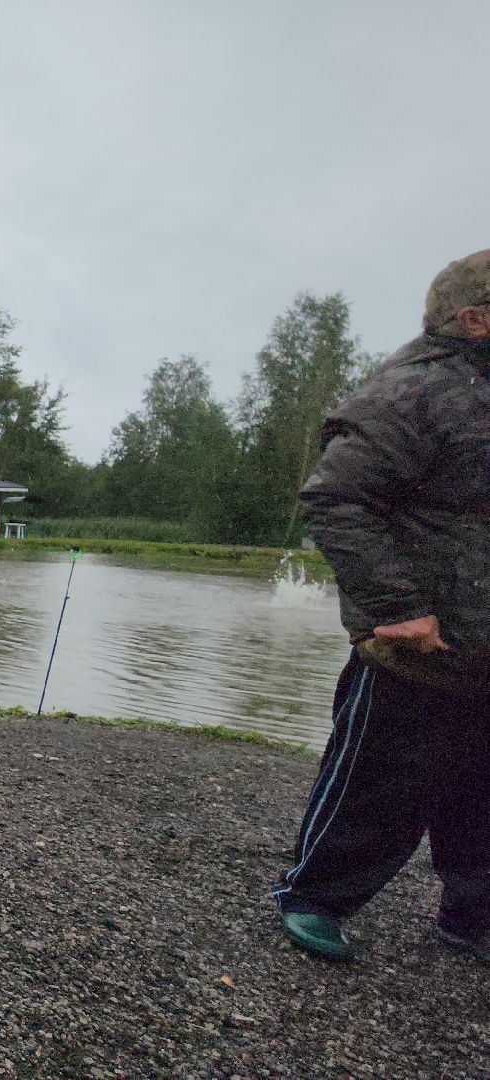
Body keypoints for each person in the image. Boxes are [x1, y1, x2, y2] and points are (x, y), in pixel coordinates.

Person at [272, 249, 490, 963]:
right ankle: (316, 896)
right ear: (476, 318)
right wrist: (398, 606)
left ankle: (472, 914)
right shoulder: (412, 393)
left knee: (482, 796)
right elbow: (335, 498)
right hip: (419, 642)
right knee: (381, 780)